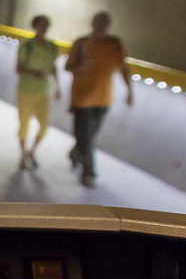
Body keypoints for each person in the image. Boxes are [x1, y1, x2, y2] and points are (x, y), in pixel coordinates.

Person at [65, 12, 133, 187]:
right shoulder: (81, 43)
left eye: (104, 23)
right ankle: (89, 173)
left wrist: (130, 91)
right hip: (81, 100)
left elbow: (123, 67)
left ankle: (75, 153)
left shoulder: (114, 44)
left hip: (102, 100)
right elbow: (68, 67)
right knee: (86, 138)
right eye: (98, 22)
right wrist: (80, 67)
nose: (100, 26)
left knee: (88, 138)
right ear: (92, 23)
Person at [16, 15, 61, 170]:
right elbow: (19, 68)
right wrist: (33, 73)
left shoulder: (51, 47)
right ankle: (23, 155)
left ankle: (32, 151)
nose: (44, 28)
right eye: (41, 25)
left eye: (46, 25)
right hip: (26, 90)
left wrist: (57, 86)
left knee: (44, 125)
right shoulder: (27, 46)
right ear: (35, 26)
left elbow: (53, 67)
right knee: (24, 125)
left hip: (44, 91)